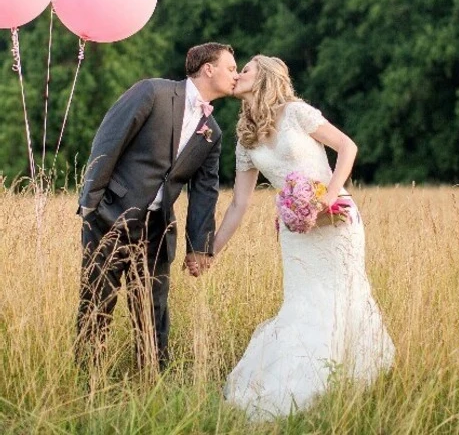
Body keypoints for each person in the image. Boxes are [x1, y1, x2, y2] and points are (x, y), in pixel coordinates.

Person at [214, 55, 395, 420]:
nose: (237, 75)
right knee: (303, 303)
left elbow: (347, 147)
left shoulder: (296, 112)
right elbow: (239, 204)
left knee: (343, 295)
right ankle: (297, 386)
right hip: (296, 233)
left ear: (264, 76)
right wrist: (209, 251)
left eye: (244, 69)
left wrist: (329, 195)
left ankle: (344, 383)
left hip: (336, 222)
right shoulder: (246, 140)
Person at [76, 42, 238, 371]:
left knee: (153, 310)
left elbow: (205, 191)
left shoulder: (213, 133)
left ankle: (152, 380)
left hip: (157, 230)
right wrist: (91, 204)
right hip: (111, 215)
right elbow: (109, 140)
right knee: (97, 302)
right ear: (209, 69)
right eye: (231, 68)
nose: (236, 75)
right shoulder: (153, 92)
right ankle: (87, 380)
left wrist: (199, 247)